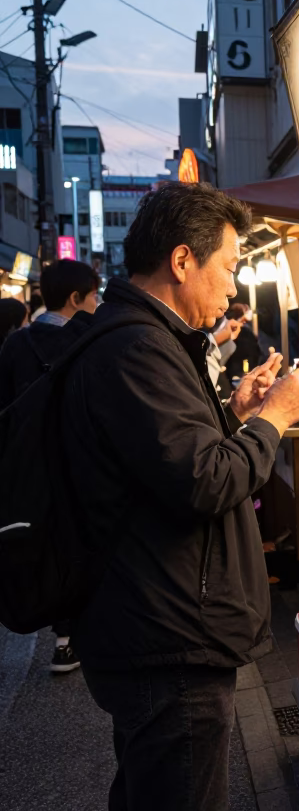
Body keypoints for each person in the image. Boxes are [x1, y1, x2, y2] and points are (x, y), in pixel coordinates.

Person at [57, 182, 299, 811]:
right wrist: (276, 417)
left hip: (154, 621)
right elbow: (209, 481)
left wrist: (235, 415)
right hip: (166, 633)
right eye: (228, 267)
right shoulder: (136, 346)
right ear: (182, 262)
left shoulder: (143, 337)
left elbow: (175, 461)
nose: (233, 288)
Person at [0, 259, 102, 672]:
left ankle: (60, 632)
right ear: (76, 298)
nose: (98, 304)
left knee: (43, 538)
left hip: (28, 464)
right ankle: (78, 629)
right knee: (79, 539)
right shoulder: (90, 341)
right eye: (94, 296)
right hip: (80, 464)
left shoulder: (16, 344)